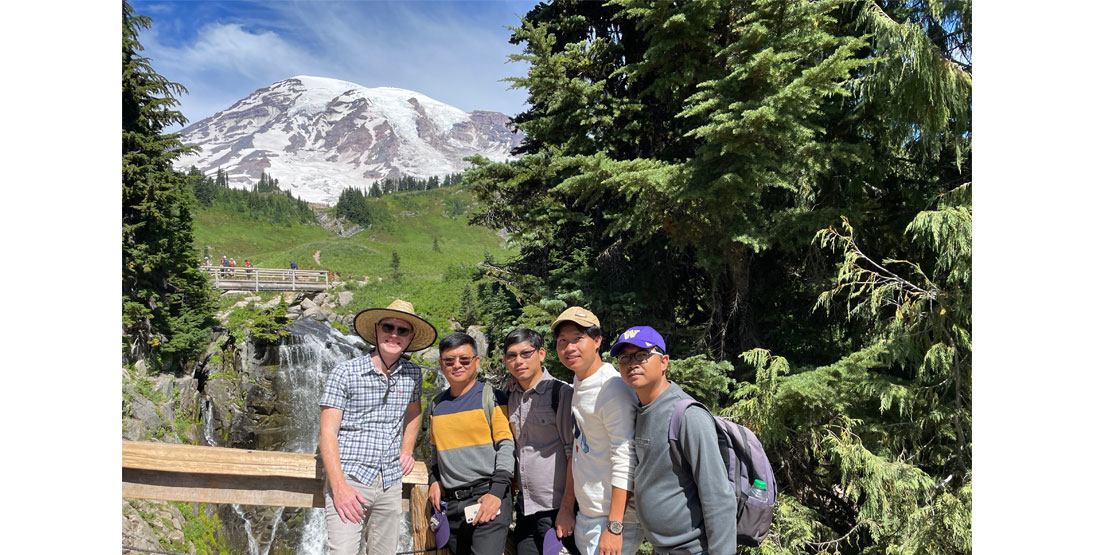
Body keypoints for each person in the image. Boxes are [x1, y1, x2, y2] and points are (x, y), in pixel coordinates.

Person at [318, 299, 438, 555]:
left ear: (410, 337)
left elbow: (414, 411)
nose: (394, 334)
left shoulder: (413, 373)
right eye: (388, 327)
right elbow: (327, 433)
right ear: (376, 330)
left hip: (390, 481)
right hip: (350, 477)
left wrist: (407, 449)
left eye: (402, 330)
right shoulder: (345, 372)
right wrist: (338, 487)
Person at [610, 326, 738, 555]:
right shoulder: (641, 411)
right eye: (625, 357)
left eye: (642, 355)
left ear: (664, 362)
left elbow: (718, 496)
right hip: (663, 548)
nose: (632, 363)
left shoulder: (688, 415)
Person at [551, 307, 643, 555]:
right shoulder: (580, 383)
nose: (569, 348)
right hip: (589, 514)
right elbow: (581, 450)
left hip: (613, 519)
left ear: (597, 341)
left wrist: (614, 527)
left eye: (578, 339)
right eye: (563, 341)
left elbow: (625, 457)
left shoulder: (612, 388)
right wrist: (568, 507)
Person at [428, 332, 515, 554]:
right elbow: (435, 451)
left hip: (487, 495)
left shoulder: (492, 397)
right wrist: (434, 479)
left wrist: (496, 493)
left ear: (476, 362)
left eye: (464, 360)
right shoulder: (436, 405)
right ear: (441, 364)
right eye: (449, 360)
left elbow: (506, 446)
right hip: (453, 505)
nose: (457, 365)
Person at [502, 328, 580, 555]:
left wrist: (567, 508)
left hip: (557, 510)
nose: (519, 361)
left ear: (542, 353)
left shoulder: (561, 393)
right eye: (511, 356)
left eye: (526, 354)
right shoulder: (510, 395)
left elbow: (574, 455)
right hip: (525, 509)